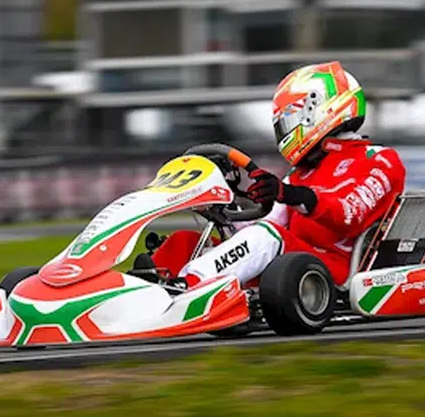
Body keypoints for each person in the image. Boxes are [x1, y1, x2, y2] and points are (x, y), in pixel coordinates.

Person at [147, 61, 407, 289]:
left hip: (332, 272)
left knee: (266, 236)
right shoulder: (301, 174)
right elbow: (258, 228)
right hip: (286, 271)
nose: (284, 131)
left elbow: (350, 214)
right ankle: (143, 291)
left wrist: (290, 195)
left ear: (316, 111)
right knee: (184, 241)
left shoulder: (380, 160)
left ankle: (190, 286)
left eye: (287, 121)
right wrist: (227, 208)